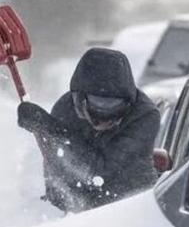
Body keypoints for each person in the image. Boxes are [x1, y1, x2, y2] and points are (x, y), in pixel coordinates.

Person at [17, 48, 160, 212]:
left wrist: (51, 129)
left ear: (128, 103)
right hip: (72, 212)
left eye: (114, 106)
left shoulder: (145, 116)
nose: (105, 117)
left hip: (129, 208)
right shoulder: (66, 109)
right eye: (98, 105)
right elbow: (57, 166)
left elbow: (98, 173)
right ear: (79, 100)